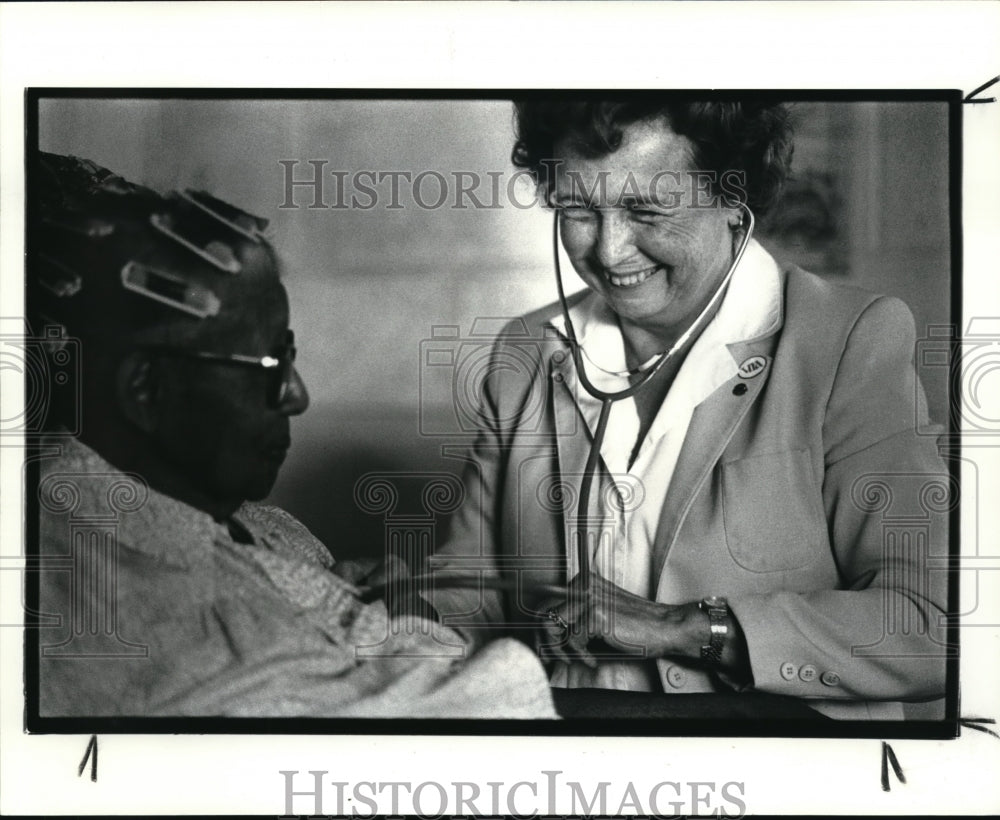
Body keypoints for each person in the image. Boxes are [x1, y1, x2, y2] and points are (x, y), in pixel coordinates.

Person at [424, 100, 950, 720]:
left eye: (646, 209)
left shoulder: (847, 343)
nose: (612, 250)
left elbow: (933, 627)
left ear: (735, 198)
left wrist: (688, 628)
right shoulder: (525, 351)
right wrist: (382, 630)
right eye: (578, 210)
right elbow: (468, 591)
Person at [30, 152, 555, 718]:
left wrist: (359, 601)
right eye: (267, 362)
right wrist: (404, 618)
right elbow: (489, 724)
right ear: (146, 390)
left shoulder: (249, 522)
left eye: (291, 356)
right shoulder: (117, 598)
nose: (296, 394)